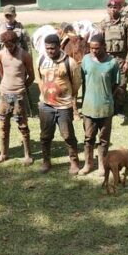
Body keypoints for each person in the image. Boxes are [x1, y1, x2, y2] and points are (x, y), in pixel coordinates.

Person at [36, 32, 83, 174]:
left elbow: (76, 83)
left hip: (64, 106)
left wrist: (67, 96)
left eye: (53, 48)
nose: (50, 51)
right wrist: (45, 95)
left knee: (68, 135)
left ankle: (74, 162)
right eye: (47, 48)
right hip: (46, 106)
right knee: (45, 136)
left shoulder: (70, 62)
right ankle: (46, 161)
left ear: (59, 46)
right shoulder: (41, 59)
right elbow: (39, 79)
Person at [80, 33, 122, 176]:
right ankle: (88, 164)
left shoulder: (112, 62)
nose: (94, 51)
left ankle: (102, 166)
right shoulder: (85, 60)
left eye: (97, 48)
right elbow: (82, 80)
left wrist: (107, 96)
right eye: (91, 48)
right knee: (88, 138)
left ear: (104, 46)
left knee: (104, 140)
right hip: (88, 108)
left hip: (105, 108)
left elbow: (116, 84)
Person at [0, 28, 35, 165]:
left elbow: (31, 76)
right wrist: (7, 85)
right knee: (3, 125)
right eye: (6, 45)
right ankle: (3, 154)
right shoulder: (0, 54)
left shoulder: (25, 55)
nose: (8, 48)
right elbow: (1, 72)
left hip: (19, 95)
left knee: (22, 125)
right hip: (5, 95)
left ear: (16, 42)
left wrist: (21, 87)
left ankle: (27, 155)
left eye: (11, 45)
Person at [98, 0, 128, 115]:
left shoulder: (127, 23)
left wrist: (127, 61)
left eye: (115, 7)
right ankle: (109, 105)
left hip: (121, 58)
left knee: (122, 83)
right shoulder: (103, 23)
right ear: (107, 9)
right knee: (107, 83)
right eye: (110, 7)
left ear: (120, 8)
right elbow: (100, 43)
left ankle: (119, 108)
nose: (113, 10)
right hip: (107, 59)